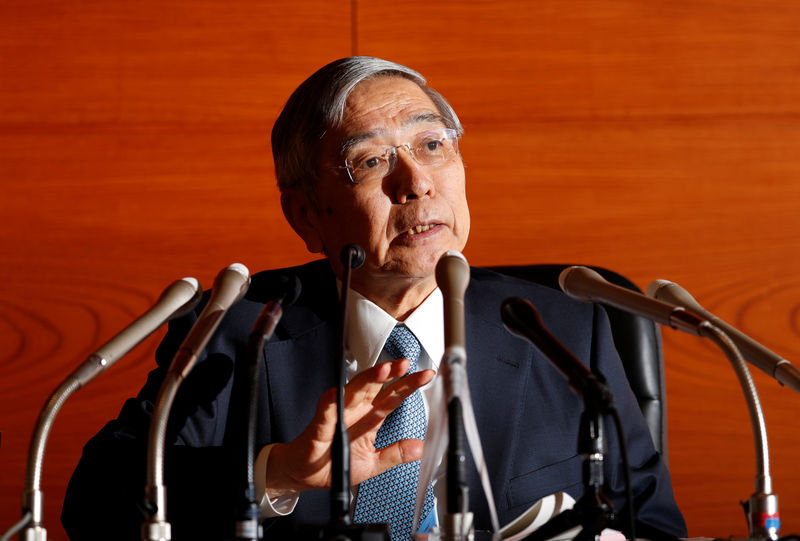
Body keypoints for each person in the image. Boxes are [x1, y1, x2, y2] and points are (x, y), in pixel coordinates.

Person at [62, 56, 687, 540]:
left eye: (433, 145)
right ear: (307, 215)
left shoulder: (565, 327)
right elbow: (94, 505)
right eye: (370, 162)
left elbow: (653, 525)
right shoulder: (235, 332)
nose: (416, 182)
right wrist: (275, 471)